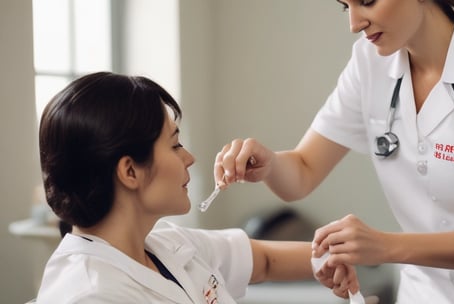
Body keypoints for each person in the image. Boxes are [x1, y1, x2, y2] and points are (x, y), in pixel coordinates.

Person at [214, 0, 454, 303]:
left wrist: (383, 246)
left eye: (367, 1)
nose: (355, 23)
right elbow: (301, 172)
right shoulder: (369, 64)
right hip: (430, 292)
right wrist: (269, 165)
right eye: (345, 6)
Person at [35, 72, 359, 303]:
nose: (189, 158)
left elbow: (262, 260)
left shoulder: (168, 247)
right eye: (175, 145)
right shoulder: (90, 294)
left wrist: (330, 258)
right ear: (130, 171)